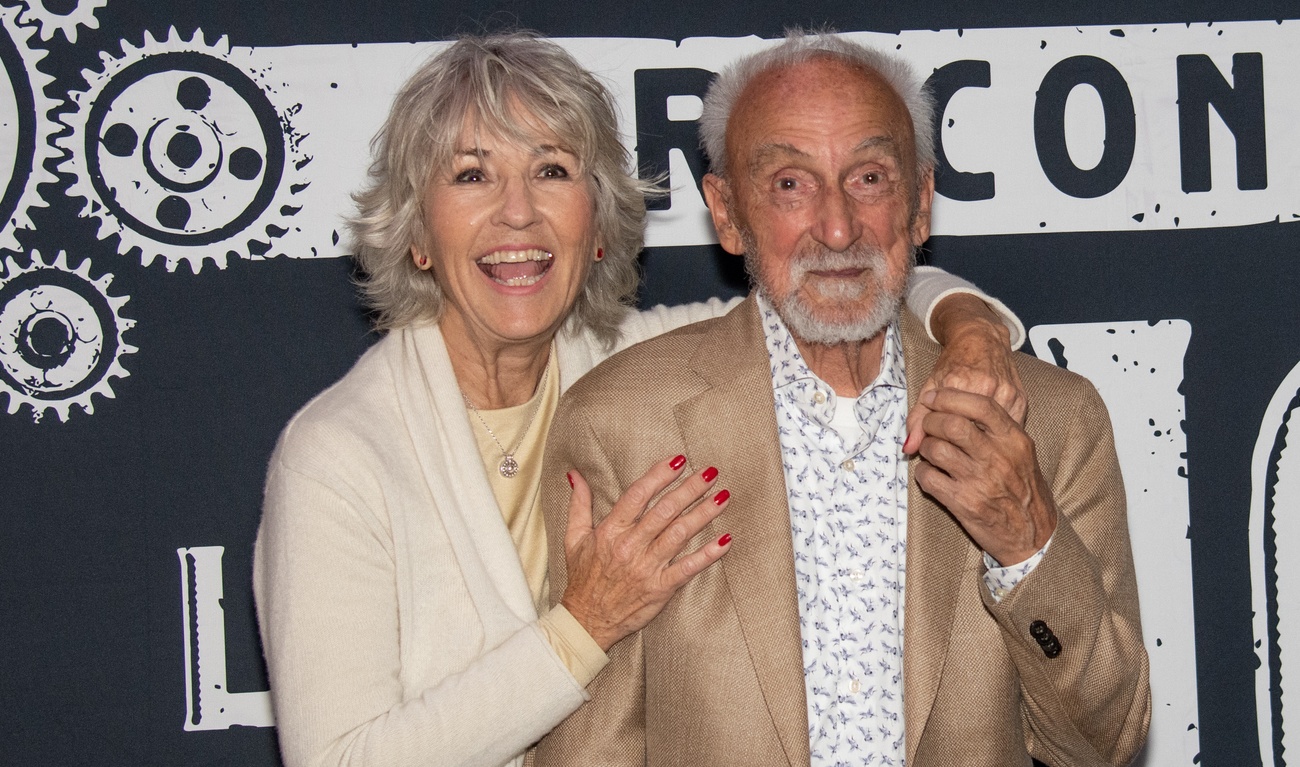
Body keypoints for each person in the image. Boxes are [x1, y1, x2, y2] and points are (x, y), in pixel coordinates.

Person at [252, 31, 1030, 767]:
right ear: (417, 233)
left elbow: (842, 270)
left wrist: (971, 330)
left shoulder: (647, 372)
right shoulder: (339, 455)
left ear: (597, 221)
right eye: (471, 174)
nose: (518, 211)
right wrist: (583, 627)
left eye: (552, 170)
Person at [535, 31, 1151, 767]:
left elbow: (1104, 742)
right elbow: (589, 752)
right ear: (727, 212)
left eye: (868, 178)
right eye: (790, 184)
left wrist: (1026, 547)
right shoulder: (620, 425)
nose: (836, 226)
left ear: (920, 203)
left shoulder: (1051, 422)